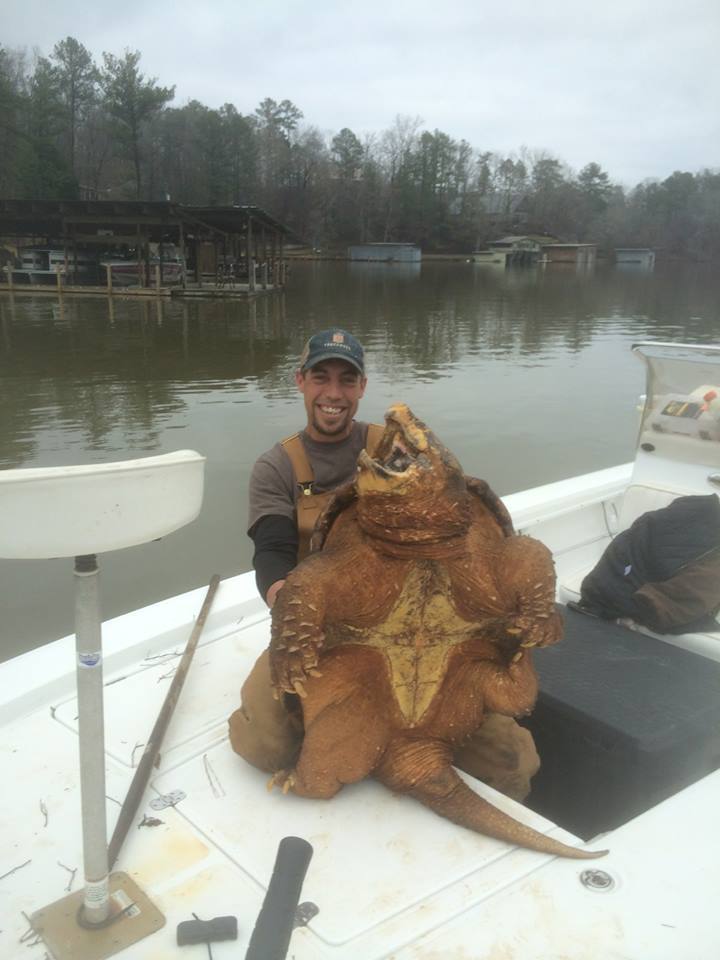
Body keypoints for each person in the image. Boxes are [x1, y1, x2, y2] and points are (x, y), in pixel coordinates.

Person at [229, 328, 540, 802]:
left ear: (361, 388)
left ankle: (407, 740)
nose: (333, 393)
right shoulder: (278, 468)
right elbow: (271, 554)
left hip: (434, 622)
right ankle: (361, 736)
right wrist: (295, 614)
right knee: (264, 744)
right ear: (301, 382)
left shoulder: (394, 452)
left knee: (507, 761)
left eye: (346, 381)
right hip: (330, 630)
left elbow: (465, 524)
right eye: (321, 378)